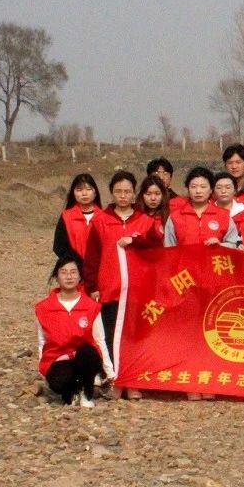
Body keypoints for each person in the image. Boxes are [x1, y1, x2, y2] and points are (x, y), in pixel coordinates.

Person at [83, 171, 157, 399]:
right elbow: (92, 257)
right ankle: (115, 380)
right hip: (110, 289)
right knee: (110, 335)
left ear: (135, 194)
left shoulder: (146, 222)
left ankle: (133, 382)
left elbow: (156, 249)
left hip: (138, 290)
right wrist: (92, 286)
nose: (123, 195)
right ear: (111, 193)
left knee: (135, 337)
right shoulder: (100, 221)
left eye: (127, 191)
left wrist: (136, 240)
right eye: (118, 191)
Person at [36, 256, 114, 407]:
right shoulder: (43, 308)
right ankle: (72, 391)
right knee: (59, 381)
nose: (69, 276)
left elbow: (100, 340)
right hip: (59, 358)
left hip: (86, 357)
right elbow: (42, 342)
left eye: (73, 272)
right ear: (56, 277)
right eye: (64, 272)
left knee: (87, 351)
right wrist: (43, 369)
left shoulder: (91, 307)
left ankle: (86, 392)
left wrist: (110, 372)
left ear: (80, 277)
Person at [166, 167, 240, 248]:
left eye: (203, 187)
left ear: (211, 189)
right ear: (188, 189)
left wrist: (220, 245)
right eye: (193, 186)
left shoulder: (224, 216)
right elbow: (169, 248)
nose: (198, 191)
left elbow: (233, 244)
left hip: (214, 256)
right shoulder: (175, 216)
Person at [52, 173, 102, 278]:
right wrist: (78, 263)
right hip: (75, 273)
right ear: (73, 193)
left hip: (100, 271)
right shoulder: (66, 217)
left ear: (95, 192)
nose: (84, 193)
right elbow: (59, 246)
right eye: (79, 190)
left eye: (88, 189)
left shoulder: (104, 217)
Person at [136, 175, 172, 247]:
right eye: (148, 194)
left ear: (163, 195)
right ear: (142, 195)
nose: (153, 198)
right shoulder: (135, 215)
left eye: (157, 194)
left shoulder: (170, 216)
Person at [223, 144, 244, 210]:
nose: (234, 166)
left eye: (238, 162)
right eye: (230, 163)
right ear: (225, 167)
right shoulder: (217, 193)